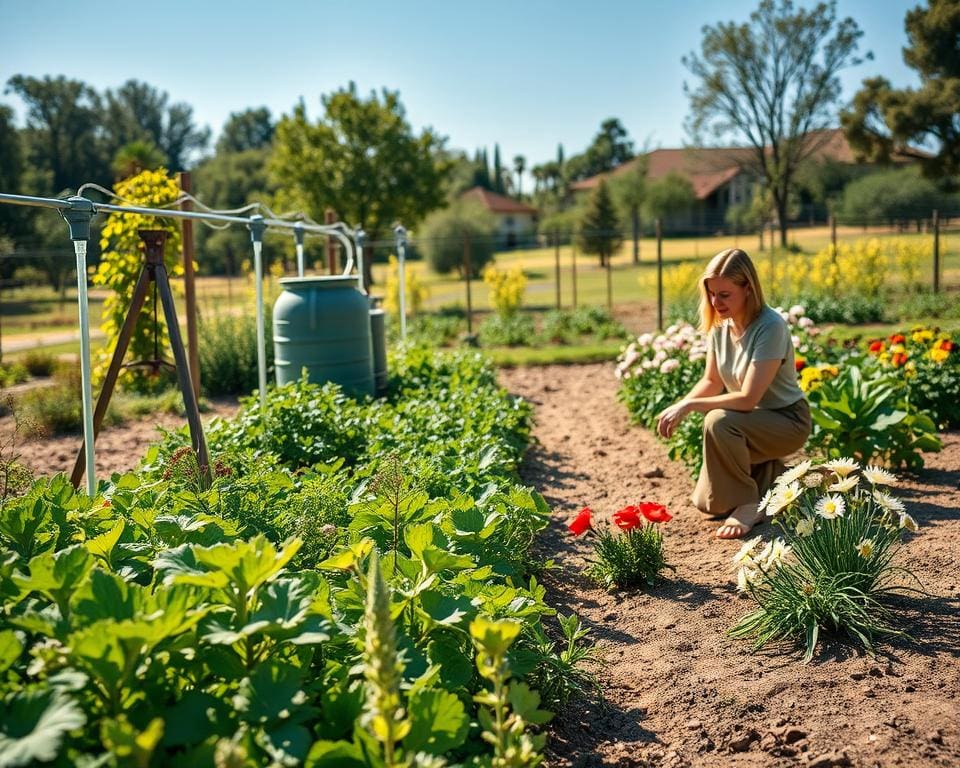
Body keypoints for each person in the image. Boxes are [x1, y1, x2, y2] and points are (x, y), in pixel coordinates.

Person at [656, 248, 811, 539]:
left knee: (718, 421)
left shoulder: (770, 326)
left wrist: (690, 406)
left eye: (724, 294)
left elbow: (748, 398)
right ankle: (773, 476)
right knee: (709, 504)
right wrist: (680, 405)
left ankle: (750, 504)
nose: (716, 302)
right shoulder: (720, 327)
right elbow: (712, 381)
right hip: (750, 422)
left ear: (748, 288)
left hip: (787, 421)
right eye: (712, 294)